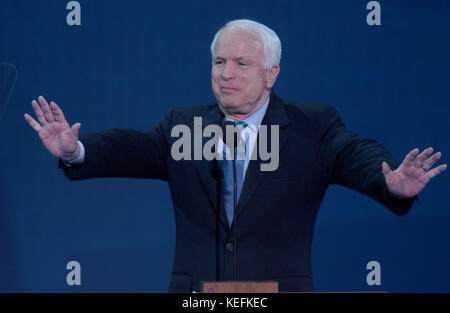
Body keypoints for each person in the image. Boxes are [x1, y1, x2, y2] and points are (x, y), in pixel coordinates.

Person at [24, 19, 446, 292]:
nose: (226, 74)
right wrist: (76, 149)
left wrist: (389, 180)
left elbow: (356, 153)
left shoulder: (311, 127)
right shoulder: (184, 125)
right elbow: (129, 147)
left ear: (271, 74)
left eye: (241, 63)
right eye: (219, 62)